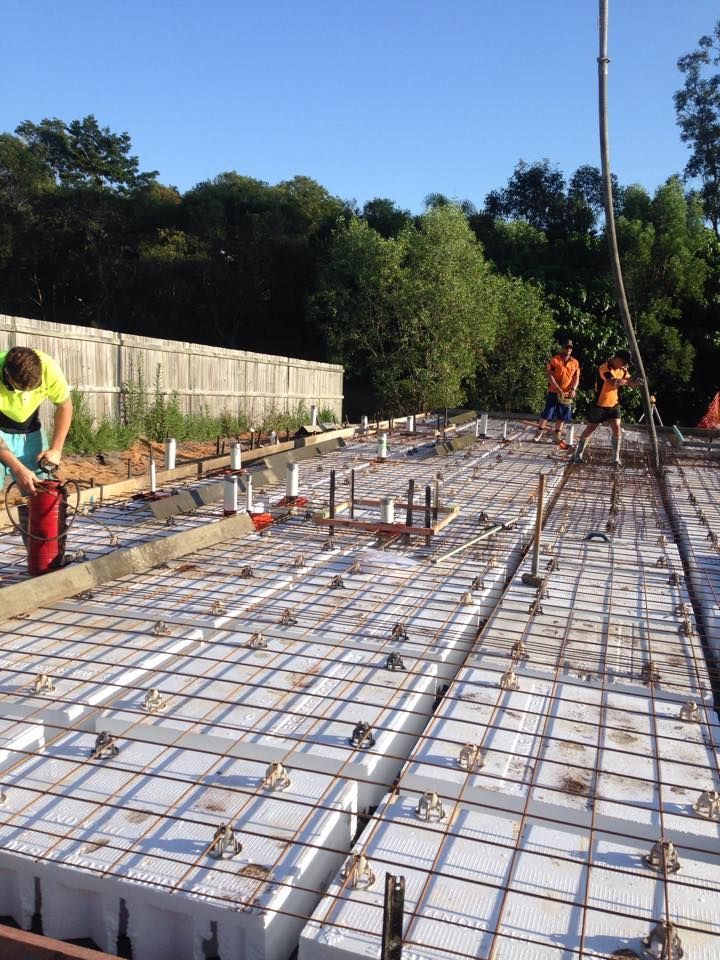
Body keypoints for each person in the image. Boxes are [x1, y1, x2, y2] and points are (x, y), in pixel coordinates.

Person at [0, 346, 73, 495]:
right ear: (7, 374)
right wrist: (18, 468)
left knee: (42, 491)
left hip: (30, 430)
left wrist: (56, 450)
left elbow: (65, 406)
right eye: (20, 390)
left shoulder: (49, 369)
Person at [571, 350, 642, 466]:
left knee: (617, 428)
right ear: (617, 359)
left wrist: (635, 382)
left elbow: (630, 383)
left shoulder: (622, 370)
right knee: (590, 429)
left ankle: (615, 459)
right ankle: (577, 455)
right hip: (600, 405)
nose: (625, 365)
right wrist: (627, 382)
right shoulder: (604, 368)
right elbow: (612, 382)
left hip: (613, 404)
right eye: (624, 362)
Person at [533, 338, 580, 447]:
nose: (568, 349)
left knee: (562, 415)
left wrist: (573, 389)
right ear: (562, 348)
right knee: (547, 412)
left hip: (567, 393)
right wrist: (558, 388)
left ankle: (557, 435)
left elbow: (576, 378)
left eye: (570, 348)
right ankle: (539, 433)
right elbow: (549, 375)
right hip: (554, 391)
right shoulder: (555, 360)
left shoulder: (575, 363)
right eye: (566, 347)